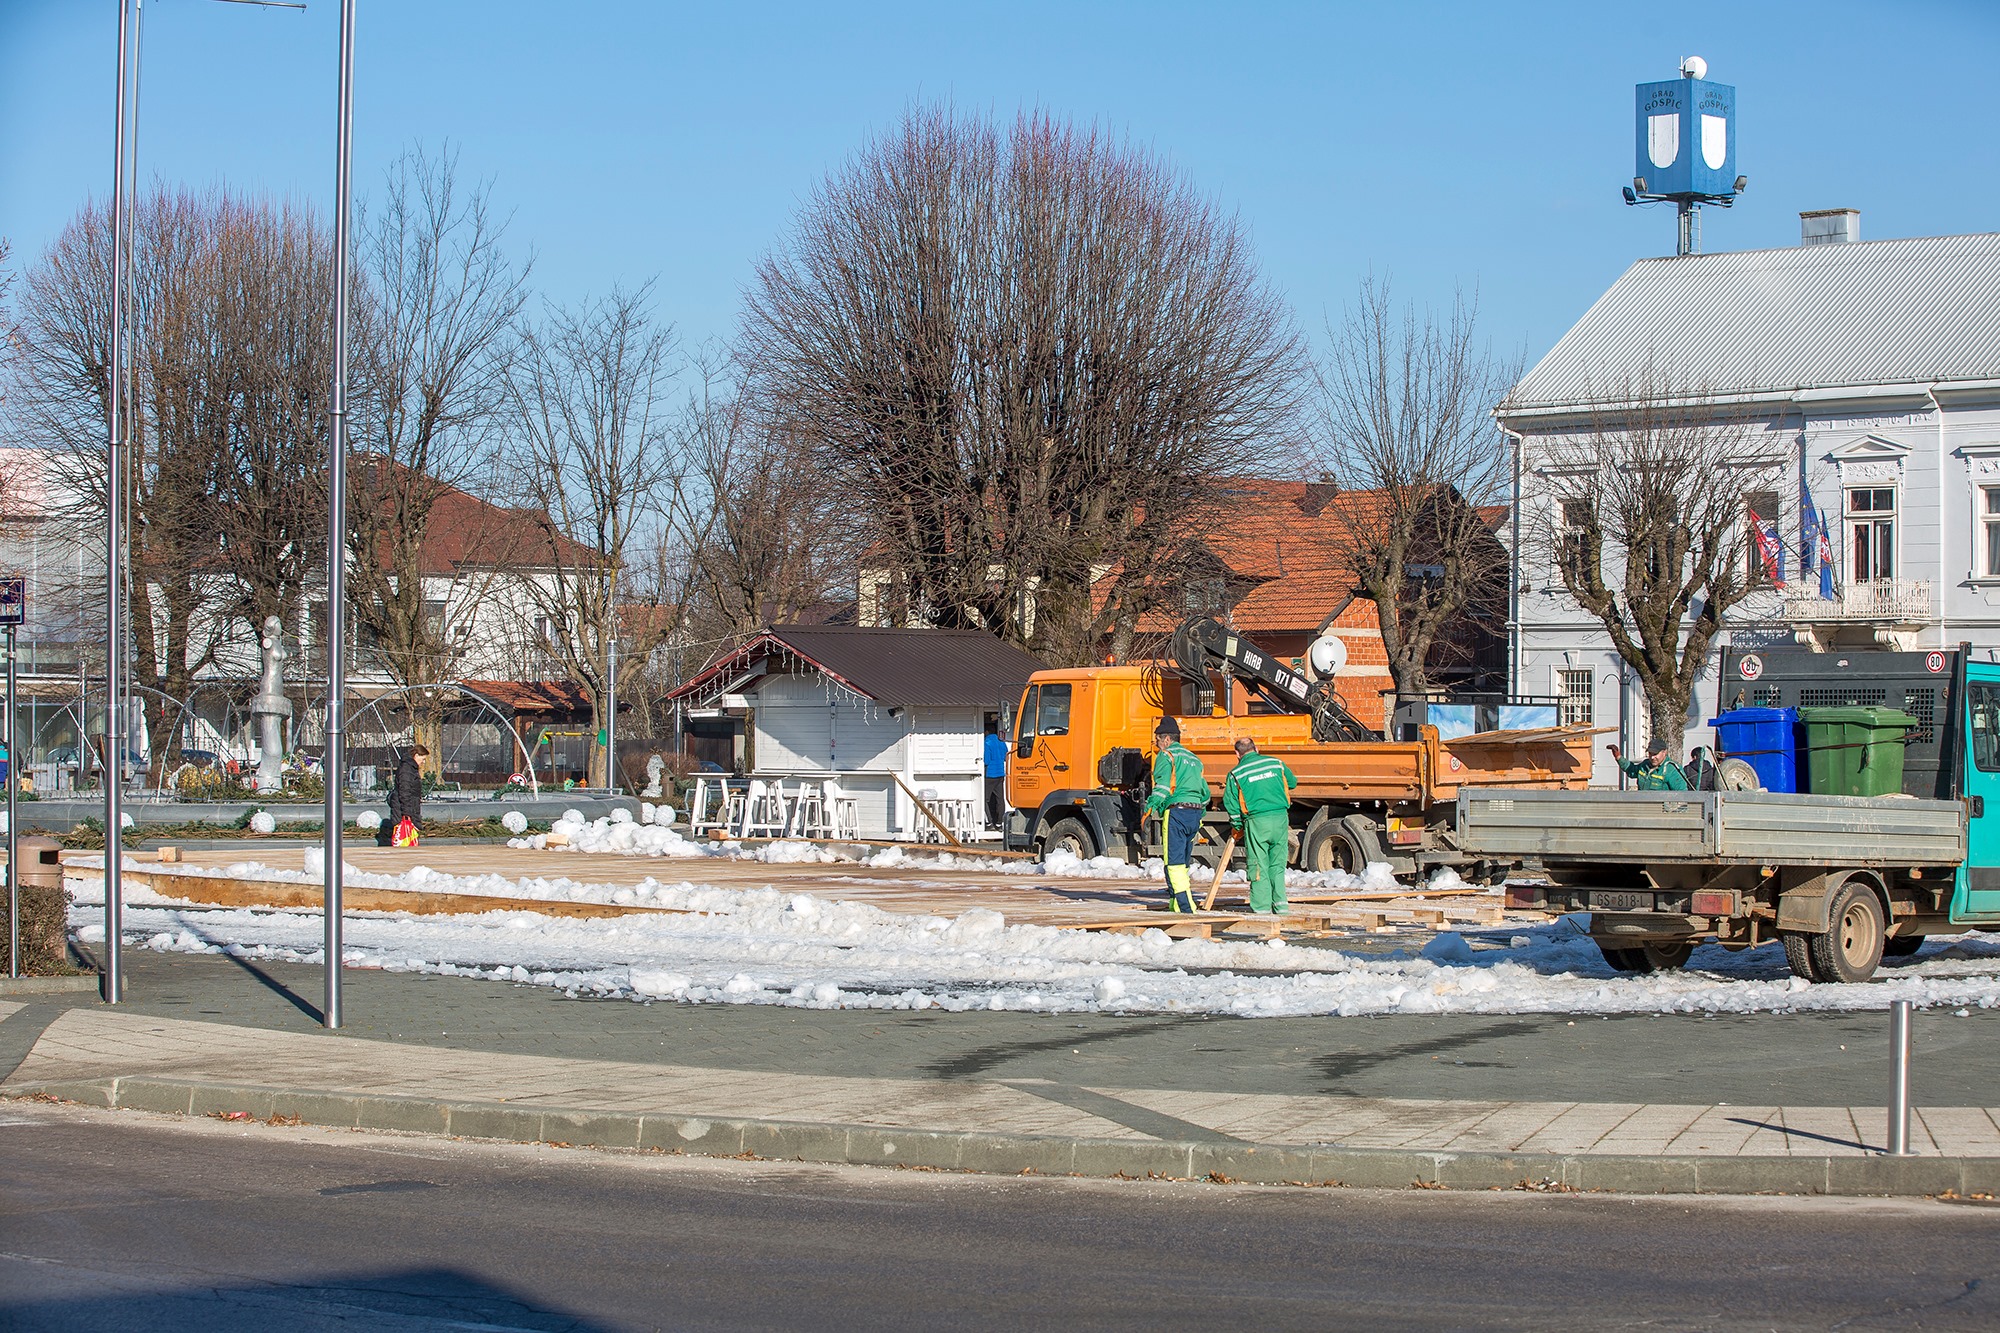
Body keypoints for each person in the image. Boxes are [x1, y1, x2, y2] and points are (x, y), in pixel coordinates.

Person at [1223, 737, 1298, 914]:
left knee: (1258, 864)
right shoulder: (1276, 763)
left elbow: (1231, 804)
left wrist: (1237, 825)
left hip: (1257, 822)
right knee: (1277, 864)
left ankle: (1262, 908)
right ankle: (1280, 906)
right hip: (1280, 818)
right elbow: (1292, 783)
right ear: (1256, 748)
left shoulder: (1236, 773)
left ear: (1237, 754)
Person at [1143, 718, 1207, 913]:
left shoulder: (1167, 755)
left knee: (1174, 861)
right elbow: (1205, 792)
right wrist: (1200, 812)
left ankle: (1187, 908)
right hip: (1194, 812)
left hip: (1177, 812)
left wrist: (1149, 809)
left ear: (1167, 739)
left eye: (1157, 740)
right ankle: (1176, 904)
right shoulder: (1195, 759)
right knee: (1184, 861)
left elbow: (1162, 787)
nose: (1155, 744)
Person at [380, 744, 428, 846]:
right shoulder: (407, 769)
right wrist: (407, 813)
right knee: (404, 840)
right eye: (422, 759)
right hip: (404, 809)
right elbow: (404, 791)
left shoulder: (410, 768)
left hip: (408, 807)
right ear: (416, 755)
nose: (423, 762)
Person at [1606, 738, 1689, 791]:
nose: (1652, 757)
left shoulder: (1672, 770)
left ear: (1665, 752)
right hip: (1644, 810)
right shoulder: (1645, 765)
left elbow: (1682, 795)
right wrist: (1618, 757)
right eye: (1650, 754)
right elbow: (1631, 770)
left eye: (1655, 754)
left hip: (1662, 814)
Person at [982, 717, 1008, 835]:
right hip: (1000, 774)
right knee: (999, 799)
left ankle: (989, 823)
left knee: (985, 799)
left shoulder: (986, 742)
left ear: (986, 732)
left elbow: (986, 760)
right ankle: (999, 823)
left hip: (990, 774)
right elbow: (1005, 756)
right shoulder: (1001, 741)